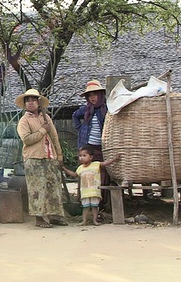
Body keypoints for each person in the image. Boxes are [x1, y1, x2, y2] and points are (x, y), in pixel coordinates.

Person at [15, 89, 67, 228]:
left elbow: (54, 137)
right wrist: (43, 130)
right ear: (25, 104)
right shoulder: (24, 121)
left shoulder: (46, 118)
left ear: (39, 103)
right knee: (37, 189)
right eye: (28, 100)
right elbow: (27, 140)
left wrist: (59, 155)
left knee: (53, 187)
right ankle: (39, 219)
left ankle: (54, 216)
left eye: (33, 100)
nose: (30, 103)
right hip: (34, 159)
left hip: (50, 156)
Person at [72, 79, 110, 208]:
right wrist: (80, 128)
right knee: (85, 174)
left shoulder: (107, 109)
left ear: (100, 95)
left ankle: (100, 203)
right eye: (90, 95)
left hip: (101, 147)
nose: (92, 97)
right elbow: (74, 116)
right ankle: (84, 204)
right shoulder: (85, 109)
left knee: (101, 174)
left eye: (95, 94)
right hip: (86, 146)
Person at [63, 145, 120, 226]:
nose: (81, 158)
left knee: (94, 207)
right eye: (80, 156)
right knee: (85, 207)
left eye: (84, 155)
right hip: (85, 192)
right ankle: (84, 221)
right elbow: (74, 174)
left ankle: (95, 221)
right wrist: (64, 169)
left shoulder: (96, 164)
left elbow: (106, 163)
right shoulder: (80, 168)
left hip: (94, 191)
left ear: (91, 157)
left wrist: (115, 159)